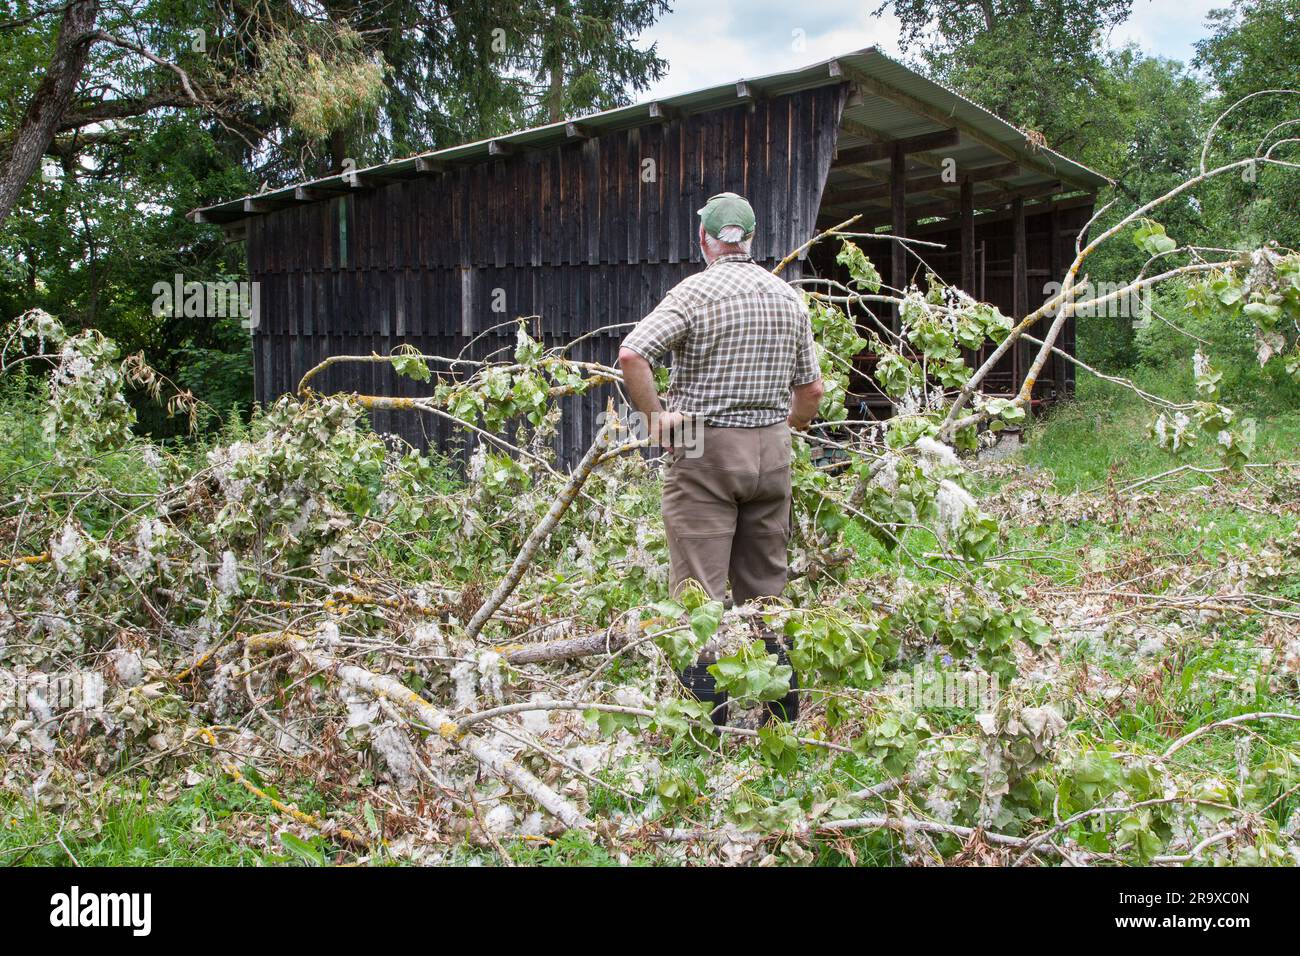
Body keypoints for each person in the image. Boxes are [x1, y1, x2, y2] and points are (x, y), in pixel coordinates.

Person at [617, 192, 824, 725]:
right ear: (751, 239)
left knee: (697, 595)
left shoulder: (694, 293)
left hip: (700, 443)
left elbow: (632, 354)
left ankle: (706, 731)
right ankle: (783, 722)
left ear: (704, 239)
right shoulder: (786, 297)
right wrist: (787, 430)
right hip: (772, 449)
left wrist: (658, 418)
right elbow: (812, 392)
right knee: (766, 591)